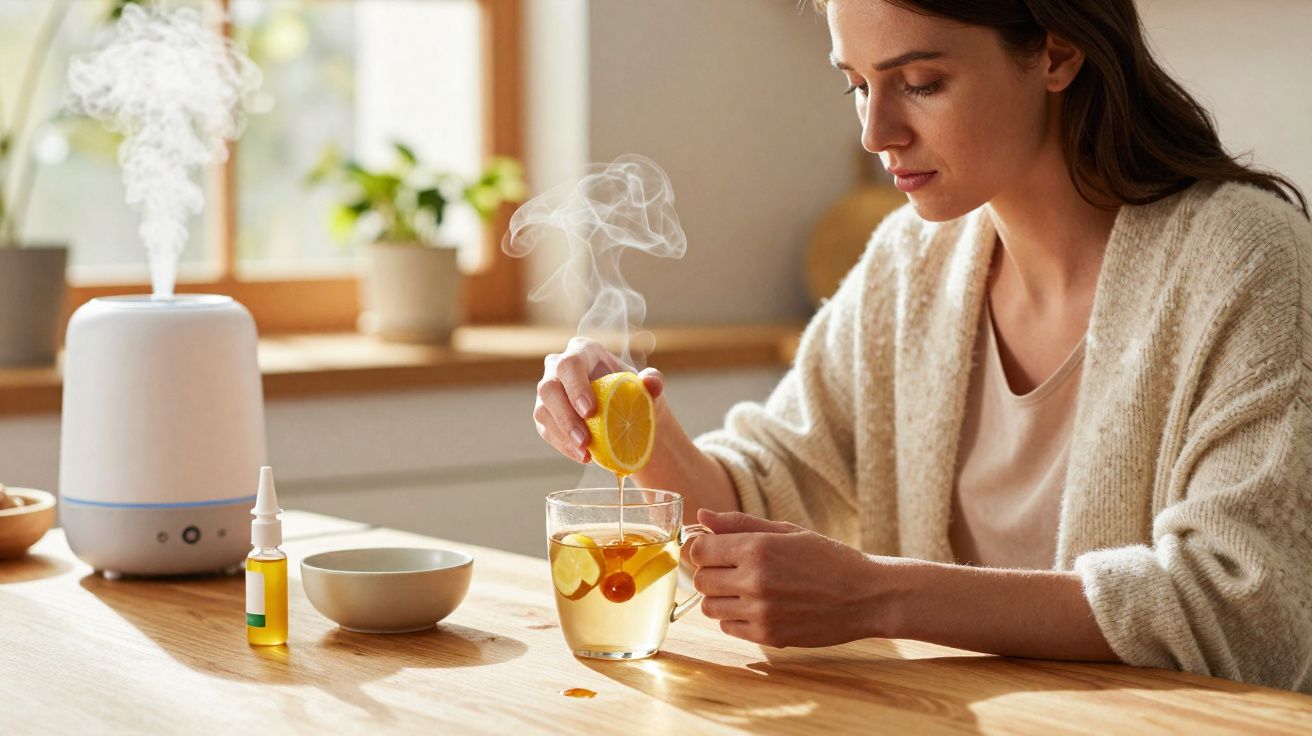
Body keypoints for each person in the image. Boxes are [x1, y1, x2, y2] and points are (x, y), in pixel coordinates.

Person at [532, 0, 1312, 692]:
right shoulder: (909, 265)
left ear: (1056, 52)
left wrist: (880, 594)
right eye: (857, 85)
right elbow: (755, 502)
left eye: (921, 83)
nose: (876, 133)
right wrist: (636, 424)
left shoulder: (1248, 261)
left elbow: (1240, 606)